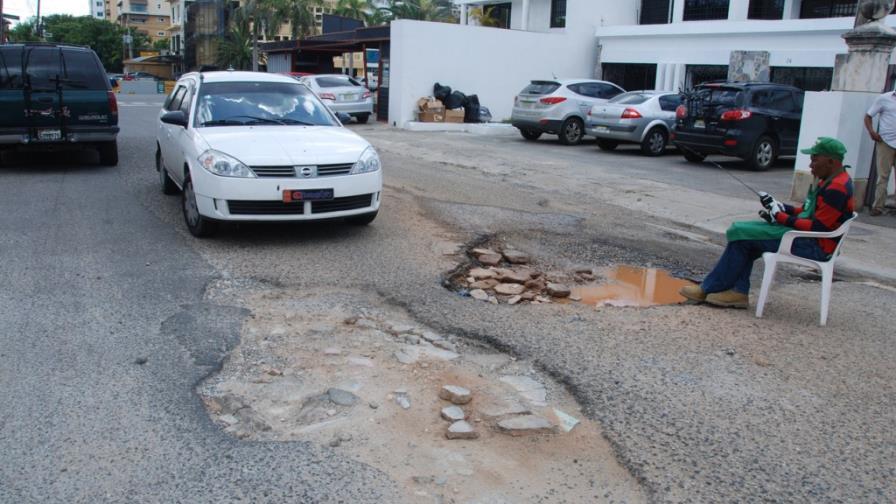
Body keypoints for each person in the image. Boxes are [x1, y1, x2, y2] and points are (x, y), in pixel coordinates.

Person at [680, 137, 855, 308]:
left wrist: (780, 217)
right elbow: (806, 211)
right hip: (806, 237)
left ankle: (713, 288)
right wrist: (779, 206)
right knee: (740, 231)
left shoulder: (836, 188)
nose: (810, 166)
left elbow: (818, 227)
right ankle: (736, 292)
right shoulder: (830, 180)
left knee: (742, 236)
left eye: (814, 160)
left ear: (831, 162)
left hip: (814, 246)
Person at [864, 88, 896, 216]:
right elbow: (868, 116)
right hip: (885, 142)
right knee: (883, 176)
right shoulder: (884, 98)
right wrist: (872, 132)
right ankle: (878, 206)